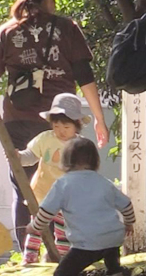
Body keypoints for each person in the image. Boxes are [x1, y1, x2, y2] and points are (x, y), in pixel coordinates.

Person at [0, 0, 110, 247]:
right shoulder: (67, 28)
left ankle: (28, 253)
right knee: (65, 185)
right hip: (61, 123)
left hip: (17, 121)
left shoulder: (7, 32)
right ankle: (63, 249)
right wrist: (99, 119)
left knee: (24, 189)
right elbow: (85, 76)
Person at [31, 137, 135, 276]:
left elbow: (46, 211)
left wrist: (35, 227)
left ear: (66, 160)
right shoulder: (103, 182)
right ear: (95, 160)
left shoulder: (63, 184)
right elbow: (126, 204)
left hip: (87, 243)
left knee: (62, 275)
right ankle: (114, 275)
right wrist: (129, 222)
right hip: (113, 236)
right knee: (109, 245)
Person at [15, 93, 91, 264]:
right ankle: (29, 257)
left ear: (76, 125)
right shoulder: (45, 138)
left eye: (66, 127)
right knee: (37, 226)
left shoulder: (80, 145)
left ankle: (61, 257)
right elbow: (30, 156)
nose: (61, 131)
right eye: (56, 126)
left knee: (63, 230)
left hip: (67, 197)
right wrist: (18, 156)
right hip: (44, 192)